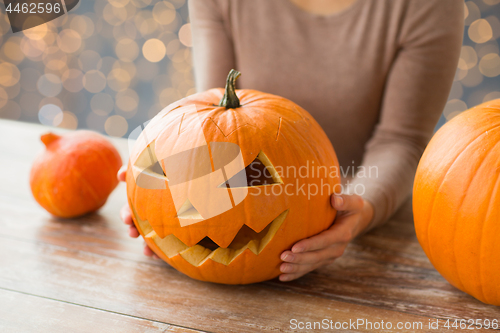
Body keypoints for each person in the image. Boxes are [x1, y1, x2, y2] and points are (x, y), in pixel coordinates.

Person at [119, 0, 464, 282]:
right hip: (240, 193)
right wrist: (156, 194)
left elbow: (401, 140)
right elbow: (211, 124)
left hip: (355, 204)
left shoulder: (427, 6)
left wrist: (358, 212)